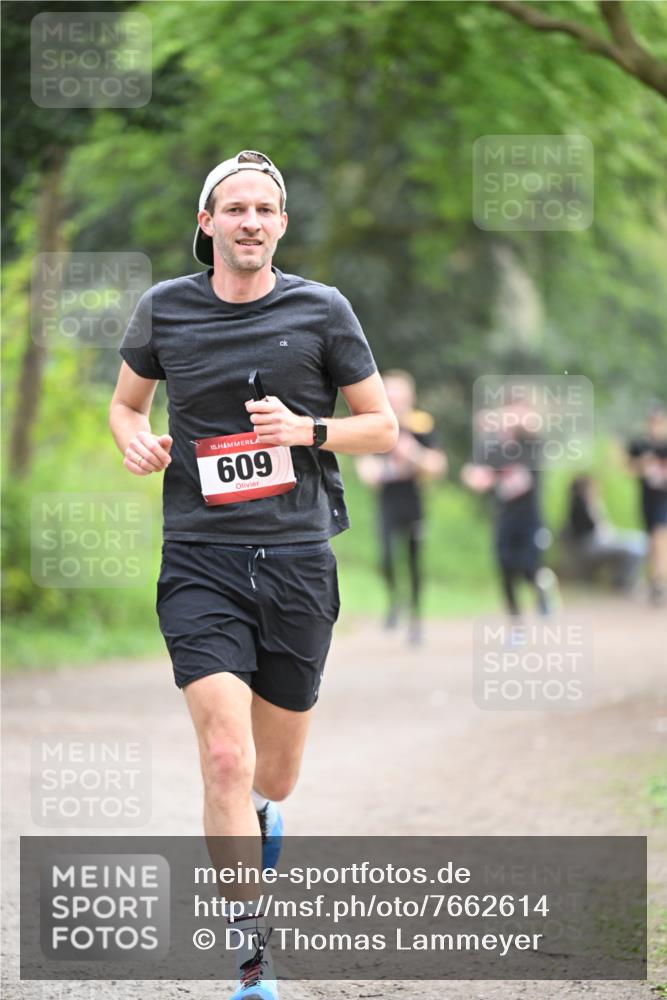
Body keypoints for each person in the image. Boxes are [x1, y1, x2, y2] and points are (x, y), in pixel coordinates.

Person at [109, 150, 397, 1000]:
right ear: (206, 223)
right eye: (233, 209)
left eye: (265, 210)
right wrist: (132, 434)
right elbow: (127, 402)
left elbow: (380, 429)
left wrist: (307, 432)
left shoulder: (322, 310)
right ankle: (250, 962)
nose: (250, 223)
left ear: (281, 223)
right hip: (200, 557)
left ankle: (270, 814)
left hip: (299, 562)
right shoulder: (166, 309)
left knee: (272, 775)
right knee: (226, 757)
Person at [356, 370, 446, 645]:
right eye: (390, 393)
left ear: (410, 396)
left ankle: (416, 619)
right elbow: (367, 471)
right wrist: (385, 468)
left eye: (399, 394)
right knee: (385, 558)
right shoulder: (378, 425)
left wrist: (413, 454)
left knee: (414, 561)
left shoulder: (422, 425)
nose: (394, 399)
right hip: (387, 502)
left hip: (414, 502)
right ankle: (395, 600)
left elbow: (438, 465)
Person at [461, 406, 553, 618]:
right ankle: (515, 617)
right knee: (505, 567)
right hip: (504, 517)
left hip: (531, 518)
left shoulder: (529, 443)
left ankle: (542, 592)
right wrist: (478, 478)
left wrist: (497, 417)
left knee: (529, 565)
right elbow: (472, 474)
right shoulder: (492, 448)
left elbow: (534, 422)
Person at [562, 475, 646, 592]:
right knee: (633, 546)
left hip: (599, 543)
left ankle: (624, 580)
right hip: (590, 546)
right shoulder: (579, 506)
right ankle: (622, 582)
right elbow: (595, 531)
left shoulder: (591, 504)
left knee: (638, 541)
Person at [627, 404, 667, 606]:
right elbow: (628, 468)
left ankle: (660, 581)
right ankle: (654, 580)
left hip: (663, 499)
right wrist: (643, 464)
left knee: (660, 538)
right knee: (652, 542)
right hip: (647, 499)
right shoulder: (641, 445)